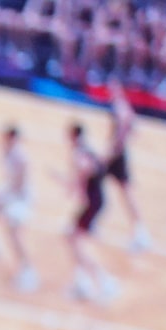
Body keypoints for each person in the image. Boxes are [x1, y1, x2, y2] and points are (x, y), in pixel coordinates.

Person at [0, 123, 40, 292]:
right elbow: (8, 179)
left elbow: (19, 187)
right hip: (10, 191)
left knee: (15, 235)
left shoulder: (22, 158)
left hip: (21, 199)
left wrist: (1, 199)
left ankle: (28, 271)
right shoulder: (5, 151)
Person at [68, 120, 118, 301]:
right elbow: (99, 167)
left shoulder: (79, 154)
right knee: (73, 239)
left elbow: (86, 169)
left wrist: (76, 183)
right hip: (95, 202)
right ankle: (82, 282)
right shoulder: (89, 149)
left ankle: (103, 281)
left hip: (93, 204)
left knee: (76, 243)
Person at [106, 90, 149, 250]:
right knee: (96, 183)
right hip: (118, 152)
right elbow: (134, 127)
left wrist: (116, 145)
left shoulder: (120, 107)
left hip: (117, 154)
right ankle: (90, 220)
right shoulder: (125, 106)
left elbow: (125, 125)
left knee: (126, 192)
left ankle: (141, 231)